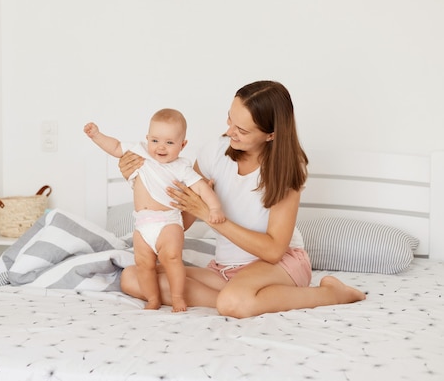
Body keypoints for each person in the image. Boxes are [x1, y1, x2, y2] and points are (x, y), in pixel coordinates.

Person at [118, 81, 366, 318]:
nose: (228, 132)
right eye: (230, 119)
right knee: (133, 277)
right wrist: (143, 182)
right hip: (225, 270)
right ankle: (247, 296)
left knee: (232, 303)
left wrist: (210, 216)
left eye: (242, 130)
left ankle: (330, 293)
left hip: (279, 265)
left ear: (270, 135)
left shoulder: (285, 169)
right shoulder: (215, 151)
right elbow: (178, 222)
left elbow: (273, 250)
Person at [84, 108, 225, 312]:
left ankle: (177, 297)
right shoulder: (139, 152)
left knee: (172, 259)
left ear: (182, 145)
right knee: (143, 264)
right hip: (142, 225)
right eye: (155, 140)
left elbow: (202, 187)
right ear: (147, 138)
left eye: (169, 142)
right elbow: (115, 147)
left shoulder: (181, 167)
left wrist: (215, 207)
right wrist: (96, 135)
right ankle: (152, 299)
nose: (161, 147)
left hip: (168, 222)